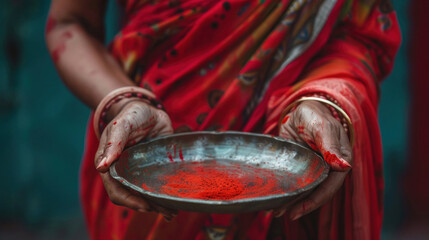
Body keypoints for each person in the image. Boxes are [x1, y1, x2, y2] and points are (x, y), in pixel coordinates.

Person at [45, 0, 400, 239]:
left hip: (297, 155)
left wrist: (324, 103)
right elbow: (69, 22)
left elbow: (357, 35)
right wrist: (122, 102)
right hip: (144, 150)